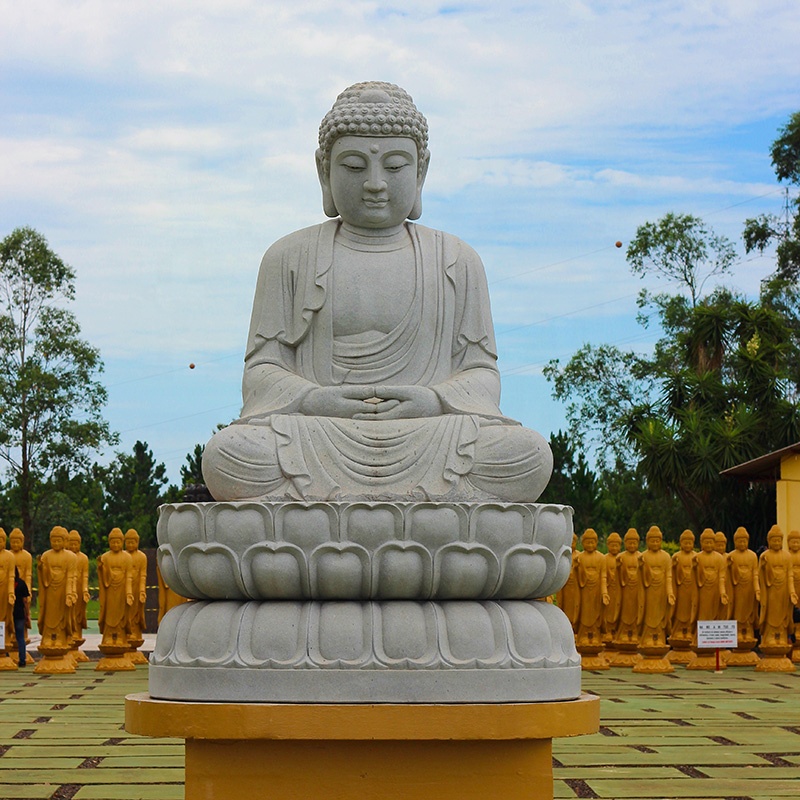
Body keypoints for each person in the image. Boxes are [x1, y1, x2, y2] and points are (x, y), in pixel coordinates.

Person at [201, 81, 552, 504]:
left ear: (421, 172)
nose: (374, 183)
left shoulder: (456, 259)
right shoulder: (287, 257)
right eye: (353, 166)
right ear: (323, 171)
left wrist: (434, 399)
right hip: (318, 433)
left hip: (429, 435)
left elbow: (481, 375)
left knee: (527, 455)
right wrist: (314, 399)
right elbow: (260, 375)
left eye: (395, 166)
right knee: (230, 457)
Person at [638, 526, 674, 647]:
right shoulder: (644, 556)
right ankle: (648, 637)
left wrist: (670, 593)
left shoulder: (666, 557)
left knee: (660, 615)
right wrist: (642, 567)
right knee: (649, 615)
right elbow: (641, 578)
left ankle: (659, 637)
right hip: (648, 591)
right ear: (647, 541)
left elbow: (669, 577)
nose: (655, 543)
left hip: (661, 591)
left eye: (657, 540)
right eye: (652, 540)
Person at [12, 567, 30, 666]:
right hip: (19, 613)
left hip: (11, 613)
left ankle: (6, 655)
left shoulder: (7, 583)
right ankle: (22, 660)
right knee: (20, 637)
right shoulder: (22, 583)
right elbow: (25, 600)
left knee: (6, 636)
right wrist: (27, 613)